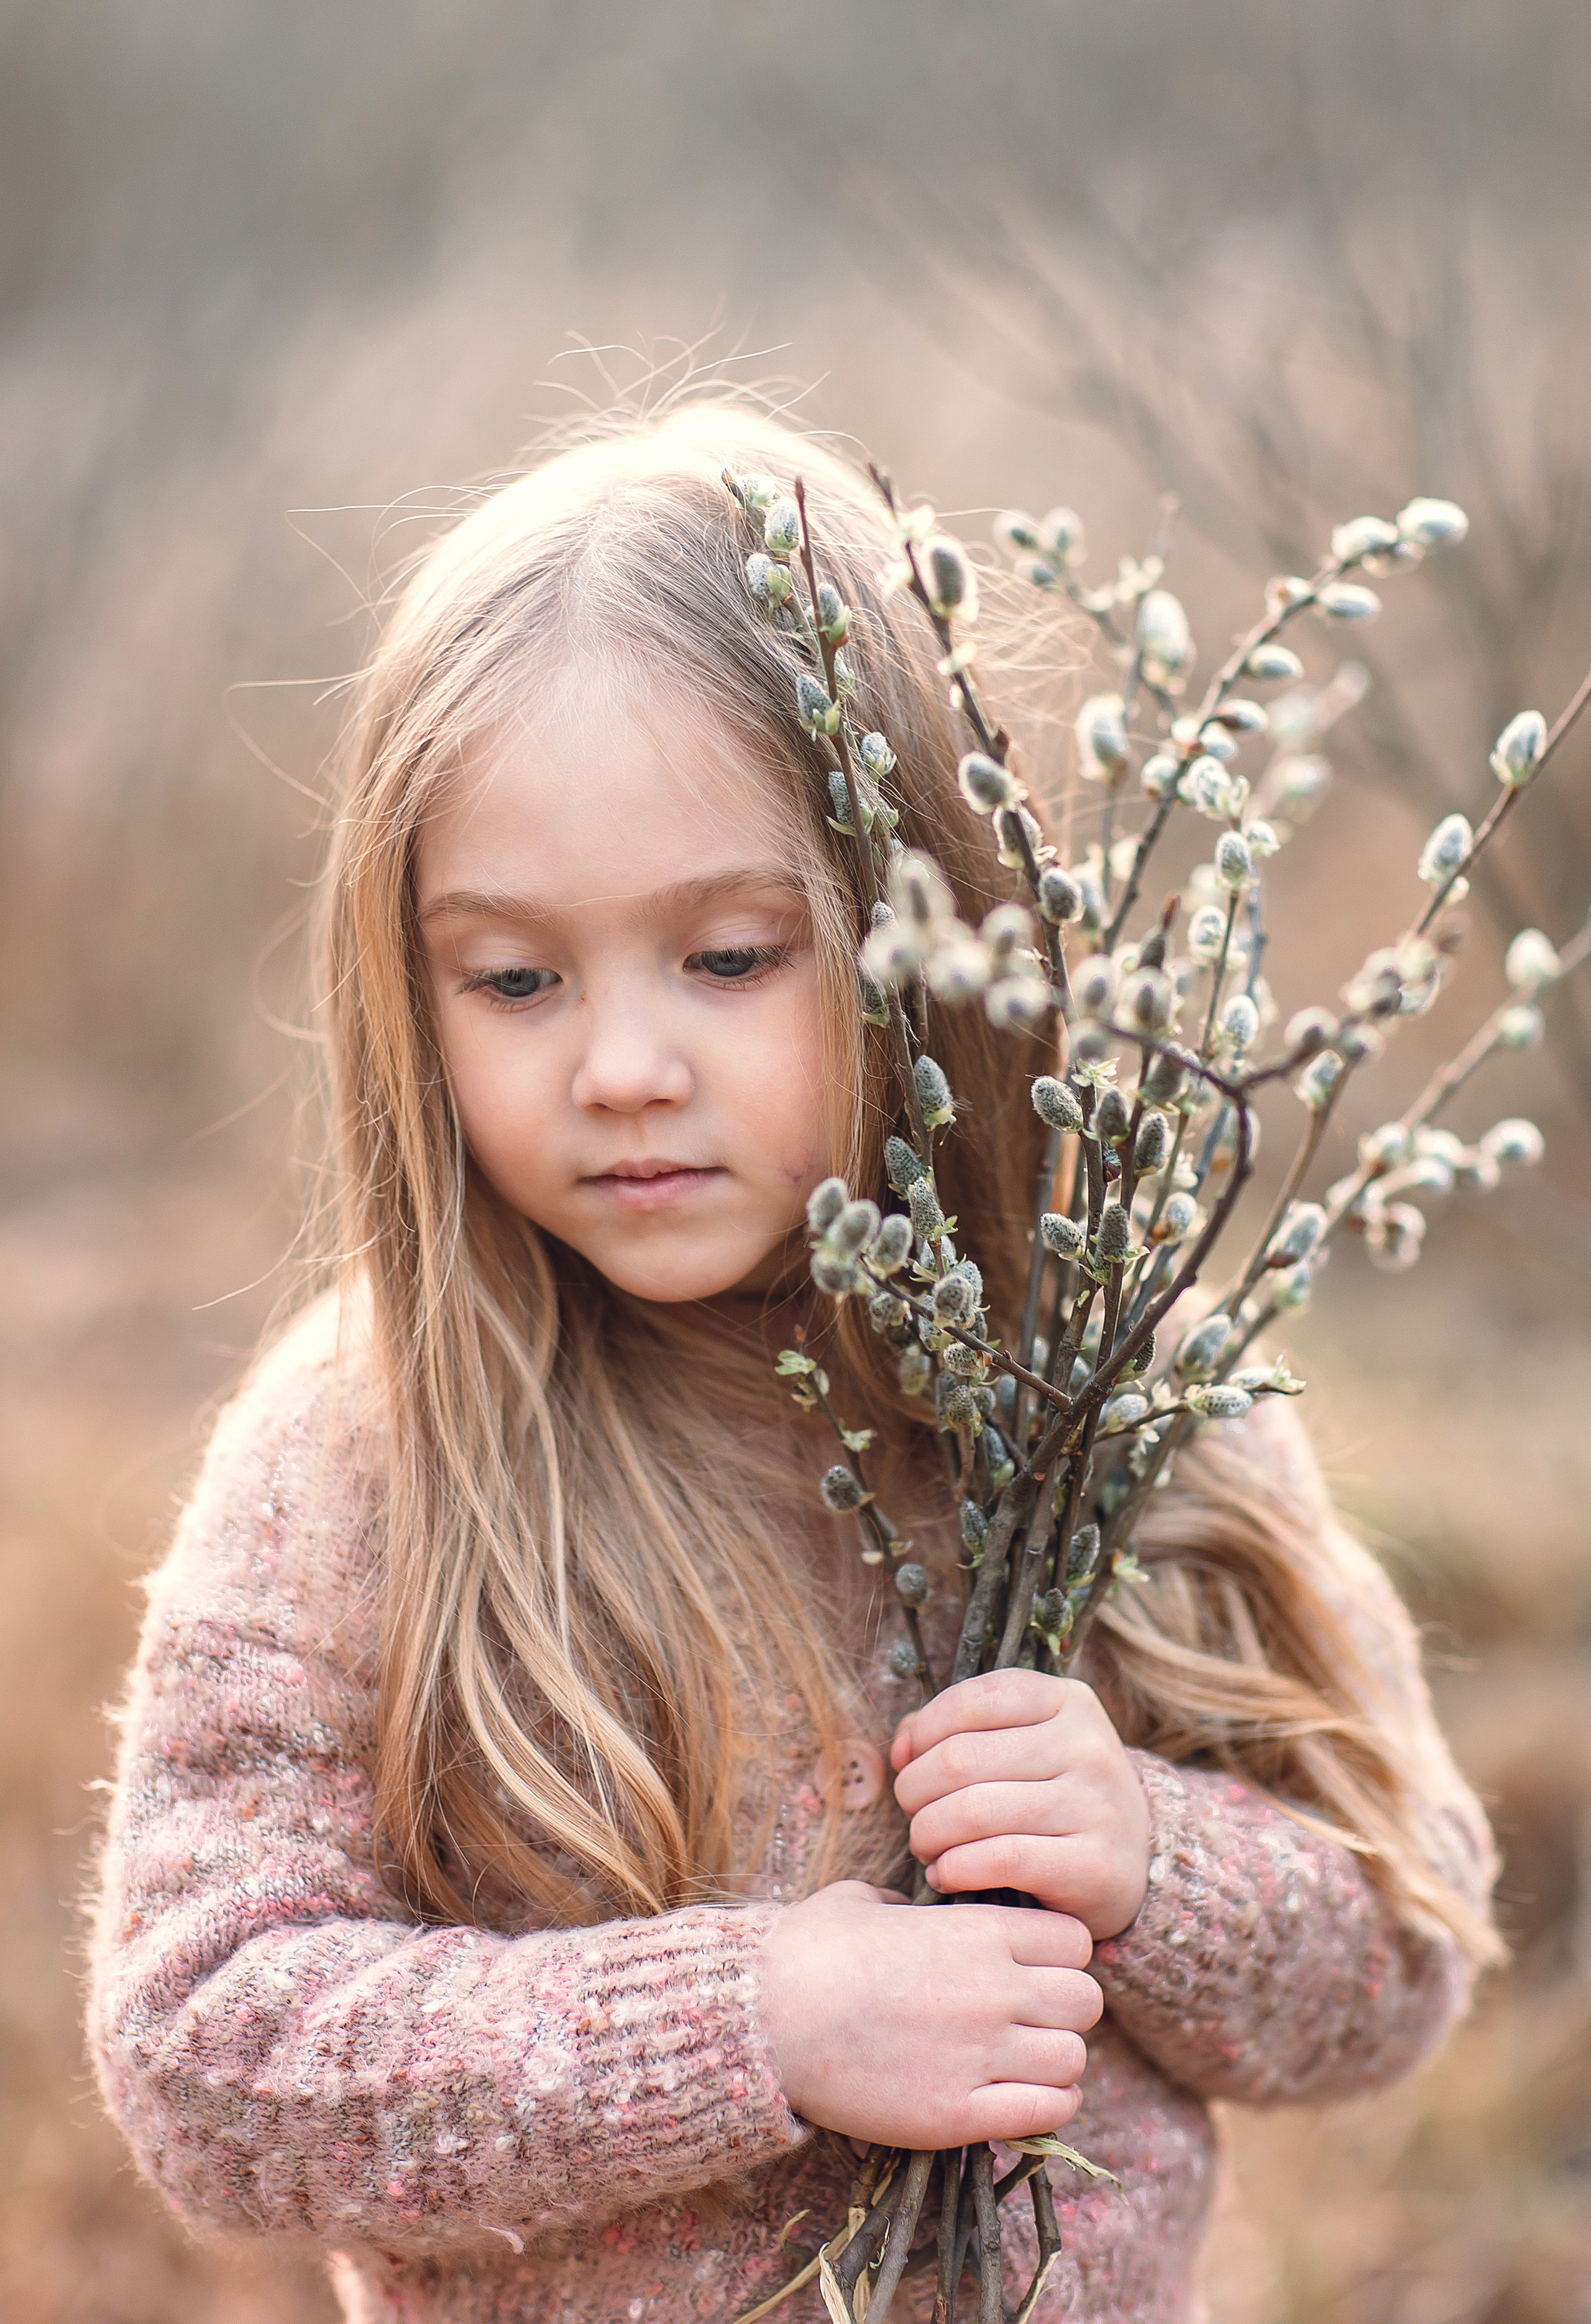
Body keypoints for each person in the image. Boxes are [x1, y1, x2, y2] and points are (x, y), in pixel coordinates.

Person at [86, 405, 1500, 2323]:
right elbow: (202, 2049)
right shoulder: (371, 1453)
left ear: (921, 928)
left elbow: (1397, 1964)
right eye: (515, 978)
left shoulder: (1114, 1396)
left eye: (732, 957)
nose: (621, 1066)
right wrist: (748, 2015)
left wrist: (1148, 1858)